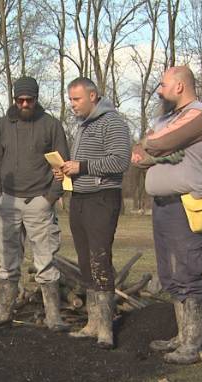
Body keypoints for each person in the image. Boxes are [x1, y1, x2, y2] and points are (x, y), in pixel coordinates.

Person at [133, 66, 202, 364]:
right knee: (170, 273)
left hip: (188, 204)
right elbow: (138, 156)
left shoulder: (200, 115)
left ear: (180, 86)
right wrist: (161, 148)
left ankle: (192, 345)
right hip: (163, 205)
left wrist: (157, 146)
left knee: (189, 270)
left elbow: (154, 144)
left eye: (163, 84)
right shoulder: (165, 119)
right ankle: (181, 337)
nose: (159, 89)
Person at [0, 76, 70, 331]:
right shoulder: (2, 125)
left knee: (45, 261)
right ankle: (3, 312)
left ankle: (53, 316)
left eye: (29, 100)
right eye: (20, 100)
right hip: (8, 202)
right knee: (8, 261)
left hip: (40, 202)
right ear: (14, 99)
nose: (24, 104)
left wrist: (51, 197)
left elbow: (62, 163)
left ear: (36, 98)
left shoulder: (51, 125)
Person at [55, 77, 131, 349]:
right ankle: (92, 323)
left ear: (93, 96)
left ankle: (106, 329)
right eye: (70, 99)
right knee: (86, 262)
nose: (72, 105)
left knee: (100, 260)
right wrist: (66, 170)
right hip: (80, 198)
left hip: (102, 198)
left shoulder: (113, 123)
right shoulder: (83, 127)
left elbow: (120, 161)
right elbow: (82, 165)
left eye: (76, 99)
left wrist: (82, 167)